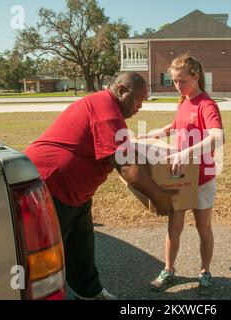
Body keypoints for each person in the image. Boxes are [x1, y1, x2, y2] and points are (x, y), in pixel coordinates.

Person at [25, 72, 177, 300]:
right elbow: (127, 168)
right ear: (122, 90)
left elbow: (129, 156)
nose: (140, 106)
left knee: (81, 245)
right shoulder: (107, 112)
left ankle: (90, 292)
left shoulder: (106, 107)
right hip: (51, 187)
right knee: (45, 254)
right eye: (138, 98)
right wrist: (159, 197)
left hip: (75, 192)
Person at [139, 54, 224, 295]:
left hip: (202, 179)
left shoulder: (206, 104)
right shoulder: (183, 100)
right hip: (178, 178)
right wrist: (156, 132)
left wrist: (187, 153)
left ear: (196, 77)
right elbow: (177, 125)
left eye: (182, 81)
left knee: (203, 228)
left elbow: (218, 137)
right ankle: (168, 269)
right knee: (173, 227)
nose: (178, 86)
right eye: (174, 81)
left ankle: (205, 272)